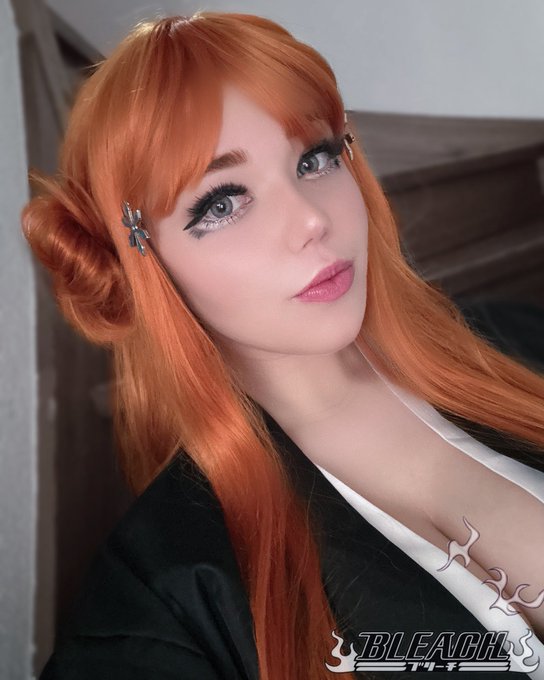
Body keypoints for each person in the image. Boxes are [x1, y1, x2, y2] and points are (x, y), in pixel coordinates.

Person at [21, 11, 544, 680]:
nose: (311, 219)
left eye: (314, 158)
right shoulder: (166, 594)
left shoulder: (517, 339)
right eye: (222, 201)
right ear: (143, 258)